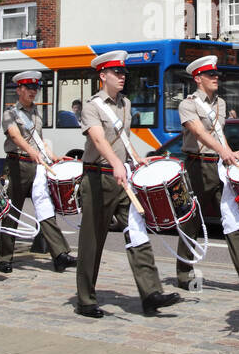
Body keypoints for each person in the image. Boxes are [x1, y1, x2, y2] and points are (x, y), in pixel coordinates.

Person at [75, 50, 179, 318]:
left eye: (123, 73)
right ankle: (86, 299)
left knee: (137, 230)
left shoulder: (125, 103)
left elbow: (122, 138)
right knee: (92, 240)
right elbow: (98, 140)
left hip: (122, 177)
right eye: (117, 72)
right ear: (103, 75)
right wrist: (116, 163)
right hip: (97, 176)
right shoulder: (92, 105)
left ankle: (150, 293)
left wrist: (134, 159)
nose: (122, 77)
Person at [177, 55, 239, 291]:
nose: (216, 78)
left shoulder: (220, 103)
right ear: (198, 78)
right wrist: (224, 151)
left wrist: (230, 153)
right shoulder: (187, 104)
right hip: (196, 165)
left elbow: (219, 134)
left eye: (217, 75)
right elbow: (200, 133)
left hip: (218, 164)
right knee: (191, 220)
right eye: (211, 75)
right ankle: (184, 273)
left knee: (232, 215)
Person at [0, 70, 76, 274]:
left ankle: (59, 254)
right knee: (12, 211)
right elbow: (15, 136)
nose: (33, 92)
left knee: (45, 207)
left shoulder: (36, 112)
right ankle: (5, 257)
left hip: (37, 165)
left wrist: (52, 155)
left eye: (36, 88)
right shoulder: (10, 113)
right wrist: (31, 152)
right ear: (19, 90)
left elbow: (39, 139)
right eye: (29, 88)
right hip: (17, 164)